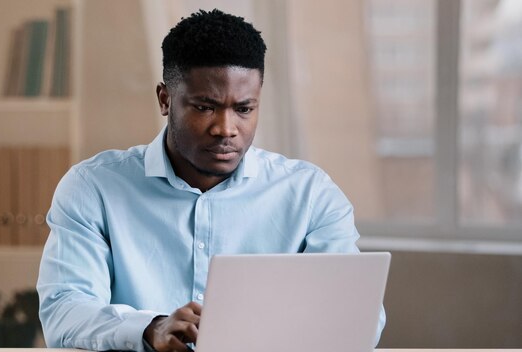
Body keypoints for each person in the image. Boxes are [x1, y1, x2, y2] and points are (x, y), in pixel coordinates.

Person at [37, 9, 385, 352]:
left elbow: (358, 319)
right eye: (205, 107)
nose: (226, 129)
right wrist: (150, 328)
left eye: (244, 109)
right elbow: (65, 311)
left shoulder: (310, 195)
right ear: (165, 99)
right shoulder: (92, 187)